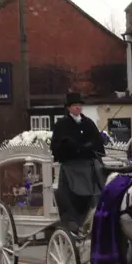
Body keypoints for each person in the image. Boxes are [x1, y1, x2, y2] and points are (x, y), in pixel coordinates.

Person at [50, 92, 105, 234]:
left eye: (79, 105)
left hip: (89, 163)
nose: (77, 108)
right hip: (72, 165)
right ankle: (74, 218)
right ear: (68, 108)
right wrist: (72, 148)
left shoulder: (88, 123)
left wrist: (89, 147)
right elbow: (57, 146)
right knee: (74, 189)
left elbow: (98, 142)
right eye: (75, 106)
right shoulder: (61, 125)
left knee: (100, 178)